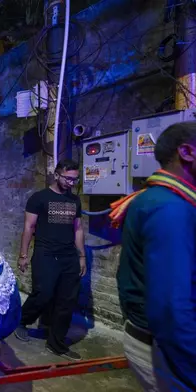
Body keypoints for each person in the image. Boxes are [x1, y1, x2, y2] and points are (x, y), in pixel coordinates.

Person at [113, 121, 196, 391]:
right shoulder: (171, 209)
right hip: (167, 347)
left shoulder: (160, 200)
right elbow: (172, 309)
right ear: (187, 152)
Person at [14, 159, 86, 361]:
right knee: (43, 293)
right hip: (46, 254)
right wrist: (23, 255)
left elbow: (78, 229)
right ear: (57, 175)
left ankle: (56, 344)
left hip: (69, 256)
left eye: (75, 179)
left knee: (67, 301)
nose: (71, 183)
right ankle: (22, 320)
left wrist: (82, 257)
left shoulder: (75, 201)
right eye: (68, 178)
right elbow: (28, 228)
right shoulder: (39, 198)